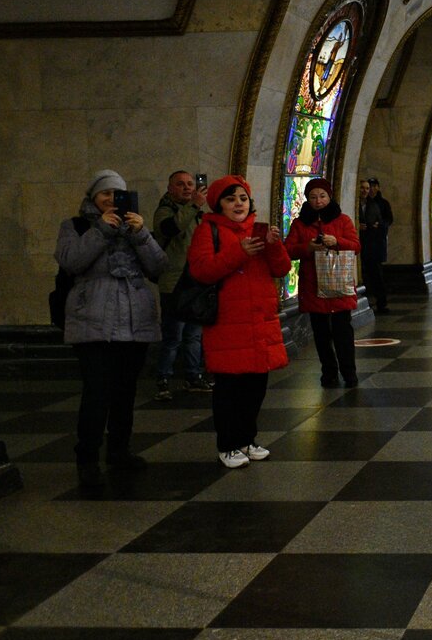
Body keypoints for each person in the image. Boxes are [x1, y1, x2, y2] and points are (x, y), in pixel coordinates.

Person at [55, 169, 166, 489]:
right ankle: (87, 457)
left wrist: (141, 234)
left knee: (125, 393)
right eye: (105, 194)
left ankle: (119, 450)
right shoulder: (75, 226)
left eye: (117, 195)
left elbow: (158, 268)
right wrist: (102, 230)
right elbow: (72, 261)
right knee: (97, 393)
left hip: (135, 323)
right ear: (93, 197)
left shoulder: (136, 227)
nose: (110, 200)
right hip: (94, 323)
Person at [188, 175, 291, 468]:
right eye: (231, 199)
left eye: (243, 198)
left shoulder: (258, 230)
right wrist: (238, 252)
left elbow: (281, 269)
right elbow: (202, 271)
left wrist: (273, 246)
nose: (238, 204)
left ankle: (247, 439)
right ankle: (228, 444)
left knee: (256, 386)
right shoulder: (208, 231)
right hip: (227, 323)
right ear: (219, 204)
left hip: (260, 321)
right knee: (229, 388)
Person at [284, 178, 362, 388]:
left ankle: (349, 373)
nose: (318, 201)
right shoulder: (300, 223)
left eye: (322, 196)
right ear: (307, 200)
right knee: (320, 335)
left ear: (329, 197)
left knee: (343, 333)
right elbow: (288, 250)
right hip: (313, 287)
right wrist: (308, 248)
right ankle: (328, 373)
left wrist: (337, 242)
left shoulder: (342, 220)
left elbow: (355, 246)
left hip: (339, 287)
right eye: (313, 197)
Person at [152, 170, 212, 400]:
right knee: (173, 335)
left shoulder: (197, 213)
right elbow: (171, 229)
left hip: (195, 282)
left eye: (190, 184)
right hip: (174, 284)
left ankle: (193, 376)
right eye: (181, 184)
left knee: (194, 335)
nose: (187, 188)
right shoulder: (164, 211)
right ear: (170, 189)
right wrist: (194, 206)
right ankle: (163, 377)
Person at [358, 176, 393, 313]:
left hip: (374, 244)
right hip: (362, 244)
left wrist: (378, 225)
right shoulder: (358, 205)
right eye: (364, 188)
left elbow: (387, 220)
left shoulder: (377, 204)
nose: (367, 190)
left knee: (376, 275)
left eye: (370, 187)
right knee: (367, 275)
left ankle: (381, 302)